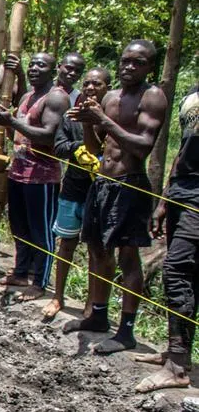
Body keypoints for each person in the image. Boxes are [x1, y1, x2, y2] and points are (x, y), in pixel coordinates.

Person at [65, 40, 167, 353]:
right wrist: (86, 122)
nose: (128, 67)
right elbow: (96, 147)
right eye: (125, 61)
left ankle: (126, 330)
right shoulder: (109, 97)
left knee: (127, 256)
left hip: (130, 185)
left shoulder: (152, 96)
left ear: (150, 66)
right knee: (97, 250)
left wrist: (104, 121)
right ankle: (98, 315)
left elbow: (142, 146)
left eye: (138, 62)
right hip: (102, 183)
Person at [0, 52, 70, 299]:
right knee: (20, 228)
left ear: (52, 71)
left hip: (42, 177)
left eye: (41, 65)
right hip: (19, 173)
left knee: (41, 231)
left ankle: (40, 282)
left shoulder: (56, 98)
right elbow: (22, 131)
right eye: (32, 64)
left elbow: (48, 135)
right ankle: (21, 272)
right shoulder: (27, 96)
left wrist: (11, 122)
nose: (35, 68)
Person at [136, 81, 199, 391]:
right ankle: (177, 355)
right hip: (182, 192)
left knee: (176, 271)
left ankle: (177, 366)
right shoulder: (193, 94)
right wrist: (165, 200)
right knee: (187, 274)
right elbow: (184, 152)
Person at [41, 68, 111, 321]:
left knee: (96, 249)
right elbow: (59, 146)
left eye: (98, 84)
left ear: (107, 88)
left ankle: (91, 304)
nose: (91, 88)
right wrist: (79, 148)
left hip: (99, 189)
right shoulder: (71, 116)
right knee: (66, 244)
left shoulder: (109, 118)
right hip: (73, 185)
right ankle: (57, 296)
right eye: (88, 84)